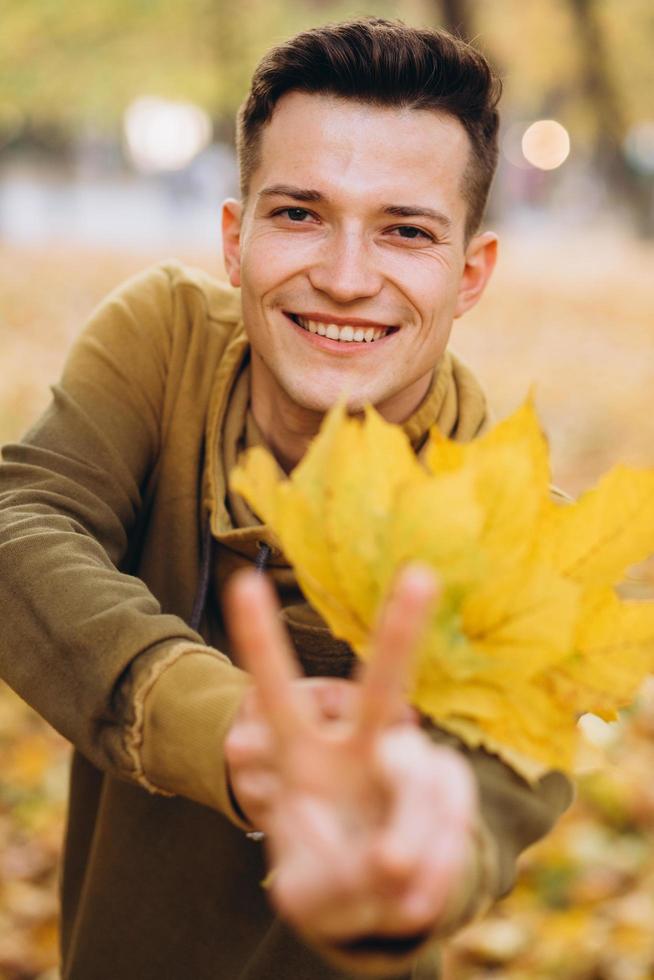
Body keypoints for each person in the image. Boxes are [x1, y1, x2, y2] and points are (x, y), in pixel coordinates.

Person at [0, 17, 573, 980]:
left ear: (470, 275)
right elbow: (22, 521)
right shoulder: (167, 344)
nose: (346, 280)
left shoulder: (526, 538)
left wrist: (399, 882)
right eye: (300, 214)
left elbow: (486, 804)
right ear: (236, 238)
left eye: (406, 231)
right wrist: (229, 727)